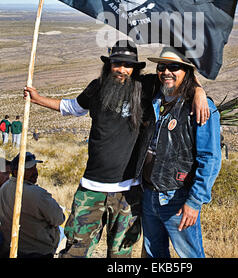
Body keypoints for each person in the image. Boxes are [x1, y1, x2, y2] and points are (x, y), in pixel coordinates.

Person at [23, 40, 209, 259]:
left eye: (128, 65)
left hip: (128, 192)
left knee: (121, 254)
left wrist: (199, 92)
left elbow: (177, 80)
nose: (122, 69)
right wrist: (38, 100)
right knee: (76, 251)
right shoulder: (97, 87)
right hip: (91, 188)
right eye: (117, 63)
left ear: (135, 68)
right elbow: (72, 107)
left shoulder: (146, 86)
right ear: (108, 65)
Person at [134, 47, 222, 258]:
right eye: (162, 67)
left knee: (189, 255)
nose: (166, 72)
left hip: (176, 198)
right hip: (149, 194)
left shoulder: (200, 107)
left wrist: (194, 202)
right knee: (153, 253)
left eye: (174, 67)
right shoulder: (155, 98)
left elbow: (209, 158)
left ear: (187, 72)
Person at [0, 152, 65, 258]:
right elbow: (59, 219)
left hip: (13, 246)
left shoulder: (4, 188)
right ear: (16, 171)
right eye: (29, 169)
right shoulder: (37, 194)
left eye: (35, 167)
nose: (35, 172)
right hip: (37, 250)